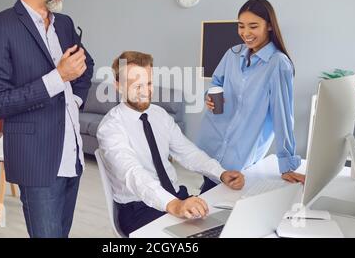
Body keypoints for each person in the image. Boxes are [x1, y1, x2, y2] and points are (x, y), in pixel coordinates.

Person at [0, 0, 94, 238]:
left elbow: (86, 64)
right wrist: (58, 78)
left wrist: (75, 97)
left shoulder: (64, 24)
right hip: (37, 162)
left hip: (73, 157)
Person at [96, 51, 244, 237]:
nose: (144, 91)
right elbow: (133, 174)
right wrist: (173, 205)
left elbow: (187, 152)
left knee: (227, 228)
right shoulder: (110, 128)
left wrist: (220, 173)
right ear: (118, 86)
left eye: (148, 83)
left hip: (176, 196)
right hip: (139, 209)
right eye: (136, 85)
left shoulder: (159, 115)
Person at [197, 0, 305, 194]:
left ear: (269, 26)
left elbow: (283, 115)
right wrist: (209, 97)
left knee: (223, 206)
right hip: (212, 144)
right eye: (241, 26)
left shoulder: (278, 63)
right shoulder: (232, 54)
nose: (245, 33)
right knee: (207, 198)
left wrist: (287, 164)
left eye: (253, 26)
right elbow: (216, 83)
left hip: (240, 156)